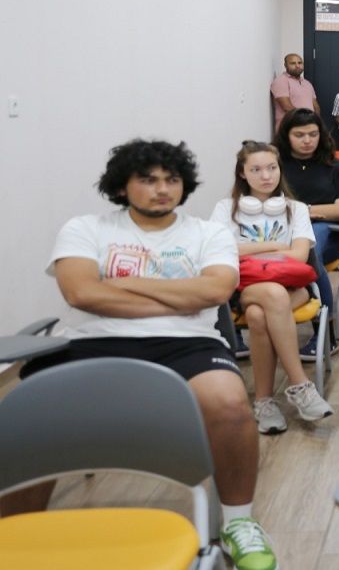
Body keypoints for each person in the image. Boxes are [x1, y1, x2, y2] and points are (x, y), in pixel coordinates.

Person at [2, 139, 277, 570]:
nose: (162, 189)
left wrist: (119, 285)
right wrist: (180, 298)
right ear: (121, 186)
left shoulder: (208, 233)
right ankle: (15, 530)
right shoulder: (86, 228)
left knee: (229, 403)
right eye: (148, 180)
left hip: (188, 342)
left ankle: (239, 521)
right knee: (31, 405)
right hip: (91, 339)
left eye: (172, 179)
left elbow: (216, 290)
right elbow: (80, 293)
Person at [211, 141, 333, 434]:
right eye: (256, 169)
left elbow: (299, 256)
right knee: (268, 300)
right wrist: (275, 246)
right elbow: (220, 251)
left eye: (271, 168)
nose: (266, 176)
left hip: (294, 287)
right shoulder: (225, 208)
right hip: (245, 287)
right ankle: (301, 386)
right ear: (242, 173)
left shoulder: (296, 209)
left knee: (258, 315)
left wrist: (247, 251)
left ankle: (264, 402)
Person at [273, 109, 339, 359]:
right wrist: (311, 211)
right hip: (279, 232)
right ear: (286, 136)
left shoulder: (336, 167)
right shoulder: (274, 166)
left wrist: (299, 211)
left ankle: (324, 334)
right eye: (299, 135)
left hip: (329, 232)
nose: (307, 140)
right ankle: (235, 330)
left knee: (310, 250)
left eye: (313, 134)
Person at [270, 52, 320, 130]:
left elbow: (316, 106)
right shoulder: (281, 81)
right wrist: (307, 120)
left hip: (308, 127)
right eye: (293, 63)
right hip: (289, 129)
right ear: (285, 65)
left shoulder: (307, 83)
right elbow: (287, 107)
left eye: (300, 63)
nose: (297, 65)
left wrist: (316, 123)